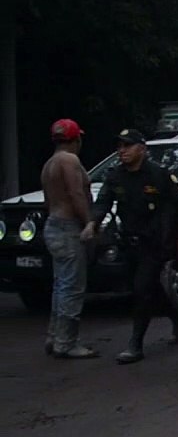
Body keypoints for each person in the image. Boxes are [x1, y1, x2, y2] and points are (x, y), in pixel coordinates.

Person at [93, 129, 178, 363]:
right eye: (120, 146)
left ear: (141, 149)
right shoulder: (115, 175)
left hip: (155, 243)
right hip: (129, 242)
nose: (122, 151)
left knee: (141, 290)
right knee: (150, 289)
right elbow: (103, 202)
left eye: (127, 146)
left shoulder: (159, 175)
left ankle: (135, 344)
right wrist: (92, 223)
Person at [40, 119, 98, 359]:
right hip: (68, 227)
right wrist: (89, 222)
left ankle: (54, 336)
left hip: (54, 224)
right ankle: (66, 342)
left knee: (60, 286)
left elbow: (48, 200)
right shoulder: (70, 160)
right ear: (76, 139)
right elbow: (76, 193)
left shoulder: (50, 163)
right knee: (72, 287)